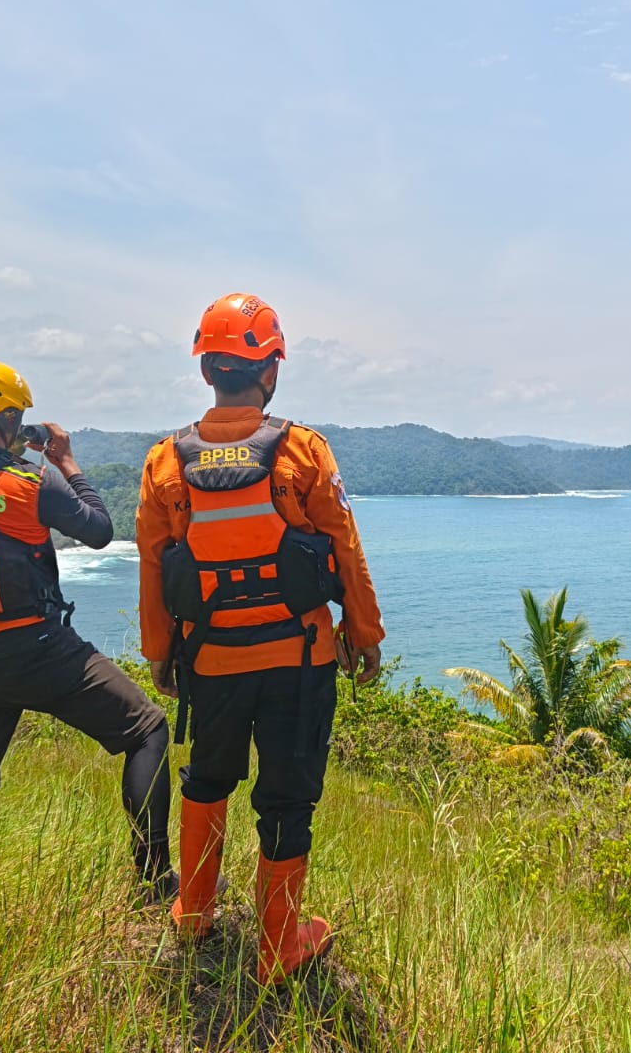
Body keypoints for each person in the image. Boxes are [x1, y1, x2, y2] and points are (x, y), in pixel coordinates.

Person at [135, 295, 384, 985]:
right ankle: (279, 947)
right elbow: (345, 548)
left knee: (207, 777)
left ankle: (194, 912)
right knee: (287, 797)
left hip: (211, 658)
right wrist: (364, 634)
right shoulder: (303, 450)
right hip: (299, 660)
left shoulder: (165, 461)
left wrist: (160, 653)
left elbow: (154, 567)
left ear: (207, 370)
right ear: (270, 370)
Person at [0, 358, 174, 973]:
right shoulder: (31, 480)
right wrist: (66, 462)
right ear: (10, 417)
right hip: (37, 649)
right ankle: (155, 879)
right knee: (147, 729)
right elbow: (99, 531)